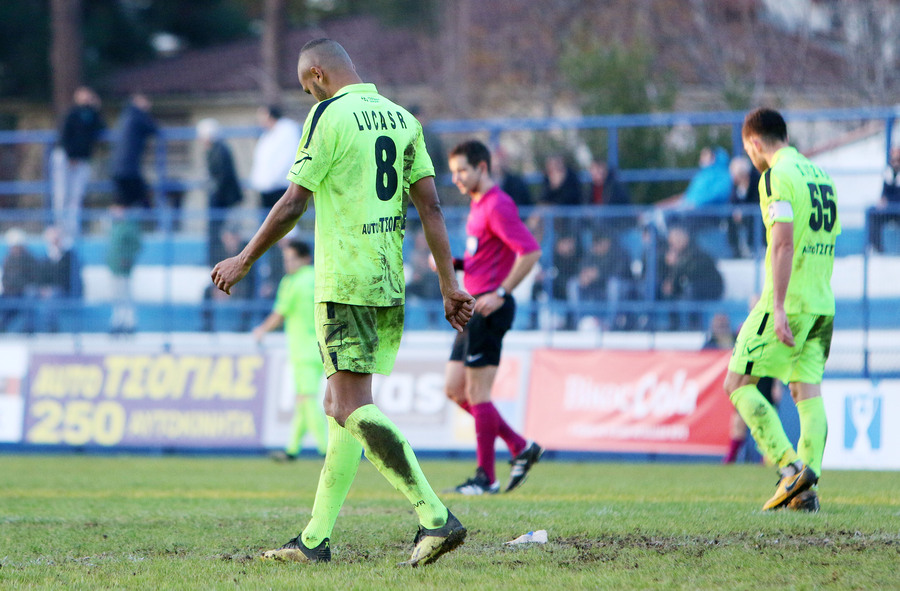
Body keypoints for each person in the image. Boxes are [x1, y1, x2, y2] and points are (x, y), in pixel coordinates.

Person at [210, 38, 474, 567]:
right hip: (385, 280)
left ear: (317, 75)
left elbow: (291, 203)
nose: (309, 95)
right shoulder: (403, 119)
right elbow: (433, 208)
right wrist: (449, 285)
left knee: (349, 406)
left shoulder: (328, 116)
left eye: (307, 86)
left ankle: (434, 516)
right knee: (340, 411)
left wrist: (243, 259)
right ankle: (314, 539)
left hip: (342, 282)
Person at [724, 107, 839, 513]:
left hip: (788, 302)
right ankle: (806, 490)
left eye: (747, 149)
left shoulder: (775, 176)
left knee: (737, 382)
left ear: (754, 143)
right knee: (805, 390)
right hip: (822, 302)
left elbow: (784, 242)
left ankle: (791, 470)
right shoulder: (820, 176)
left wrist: (776, 304)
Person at [437, 139, 543, 495]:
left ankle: (487, 477)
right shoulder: (477, 205)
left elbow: (529, 252)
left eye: (462, 170)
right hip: (471, 306)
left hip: (488, 307)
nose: (457, 179)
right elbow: (483, 258)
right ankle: (519, 446)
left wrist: (501, 293)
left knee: (477, 392)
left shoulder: (498, 204)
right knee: (455, 389)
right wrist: (456, 265)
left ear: (483, 167)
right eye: (453, 172)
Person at [254, 240, 328, 459]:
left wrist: (261, 331)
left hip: (303, 352)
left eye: (291, 259)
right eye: (286, 259)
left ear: (304, 258)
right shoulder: (319, 276)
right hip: (322, 347)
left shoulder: (293, 282)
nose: (288, 264)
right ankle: (292, 449)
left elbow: (280, 313)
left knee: (306, 399)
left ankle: (326, 450)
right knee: (302, 400)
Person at [701, 312, 781, 464]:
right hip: (747, 381)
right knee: (738, 421)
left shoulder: (771, 332)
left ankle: (769, 459)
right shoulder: (745, 329)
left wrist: (777, 385)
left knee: (766, 423)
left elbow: (775, 360)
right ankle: (732, 457)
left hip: (764, 380)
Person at [53, 86, 105, 242]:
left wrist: (97, 108)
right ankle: (59, 229)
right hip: (66, 158)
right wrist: (70, 157)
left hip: (82, 160)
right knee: (62, 195)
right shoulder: (72, 113)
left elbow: (101, 129)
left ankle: (72, 230)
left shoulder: (92, 115)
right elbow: (64, 135)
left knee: (76, 197)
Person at [197, 118, 244, 267]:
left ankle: (229, 261)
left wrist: (214, 191)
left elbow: (222, 178)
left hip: (226, 202)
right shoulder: (214, 150)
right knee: (221, 233)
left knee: (229, 234)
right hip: (223, 201)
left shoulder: (219, 150)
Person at [659, 225, 724, 329]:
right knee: (670, 292)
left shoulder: (695, 250)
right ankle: (673, 326)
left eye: (676, 239)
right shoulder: (674, 254)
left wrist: (677, 265)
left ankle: (694, 327)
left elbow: (692, 272)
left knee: (691, 291)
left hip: (710, 287)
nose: (674, 244)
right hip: (691, 287)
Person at [250, 105, 303, 211]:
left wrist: (272, 179)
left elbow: (287, 159)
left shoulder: (286, 131)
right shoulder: (268, 135)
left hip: (280, 186)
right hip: (267, 187)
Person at [110, 93, 158, 209]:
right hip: (128, 169)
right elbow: (154, 128)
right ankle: (155, 223)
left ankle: (113, 224)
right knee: (140, 199)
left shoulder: (127, 115)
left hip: (120, 167)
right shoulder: (137, 116)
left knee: (123, 201)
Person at [37, 226, 82, 333]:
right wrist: (43, 288)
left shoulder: (69, 256)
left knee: (53, 295)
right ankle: (28, 329)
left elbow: (68, 277)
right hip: (49, 290)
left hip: (65, 291)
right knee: (30, 293)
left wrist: (59, 257)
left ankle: (51, 328)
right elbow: (41, 276)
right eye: (52, 239)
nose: (54, 241)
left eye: (57, 239)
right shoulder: (45, 257)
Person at [106, 204, 142, 334]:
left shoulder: (128, 227)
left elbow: (137, 245)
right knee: (116, 296)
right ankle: (117, 321)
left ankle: (129, 323)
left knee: (125, 295)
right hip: (114, 268)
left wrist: (127, 258)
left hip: (124, 269)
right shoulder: (114, 227)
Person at [0, 228, 39, 332]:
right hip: (10, 293)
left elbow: (33, 279)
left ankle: (28, 329)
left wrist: (18, 287)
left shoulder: (30, 259)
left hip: (22, 292)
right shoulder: (8, 260)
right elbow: (5, 279)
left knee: (28, 297)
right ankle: (2, 327)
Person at [866, 146, 900, 253]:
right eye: (893, 159)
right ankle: (877, 249)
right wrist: (883, 200)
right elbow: (884, 193)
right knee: (873, 214)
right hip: (889, 210)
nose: (895, 162)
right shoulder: (888, 173)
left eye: (898, 159)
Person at [727, 156, 762, 258]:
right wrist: (737, 211)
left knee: (752, 219)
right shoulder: (736, 184)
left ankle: (754, 248)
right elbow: (732, 201)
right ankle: (735, 250)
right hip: (742, 214)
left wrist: (744, 210)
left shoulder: (757, 181)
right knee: (730, 219)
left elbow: (757, 201)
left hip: (756, 214)